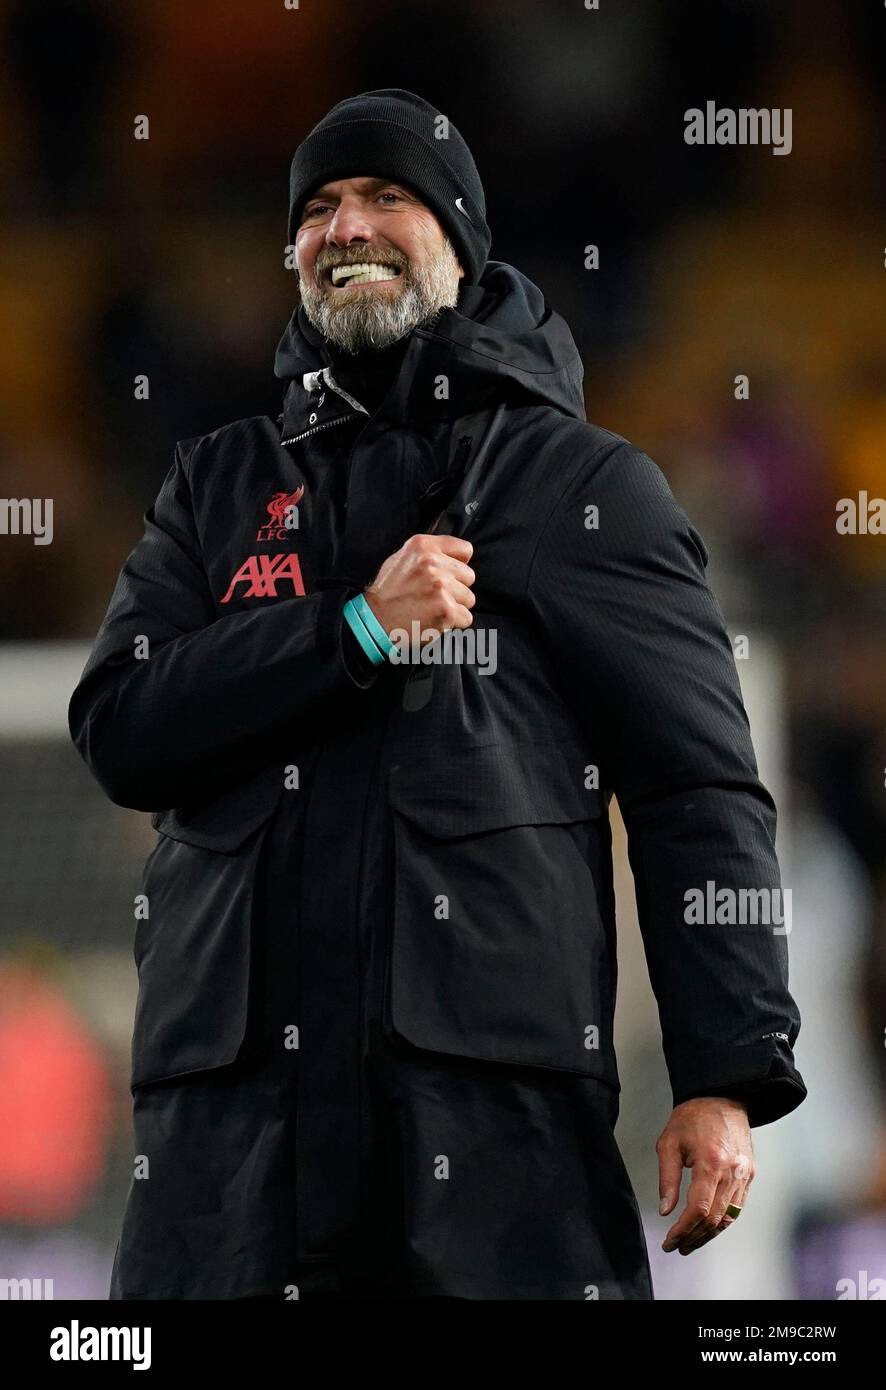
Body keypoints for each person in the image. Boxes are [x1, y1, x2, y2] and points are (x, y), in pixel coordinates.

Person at [68, 88, 807, 1301]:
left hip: (493, 1150)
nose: (345, 225)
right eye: (316, 209)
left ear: (460, 243)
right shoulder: (215, 484)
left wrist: (723, 1074)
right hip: (229, 1162)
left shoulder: (581, 483)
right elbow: (121, 730)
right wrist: (349, 627)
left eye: (385, 197)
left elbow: (694, 788)